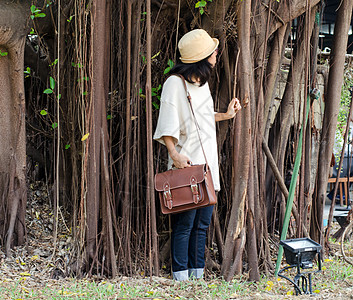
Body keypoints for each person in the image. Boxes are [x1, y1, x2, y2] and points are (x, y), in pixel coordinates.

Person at [153, 29, 241, 281]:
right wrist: (175, 154)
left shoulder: (202, 84)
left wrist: (226, 115)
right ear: (201, 57)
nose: (216, 52)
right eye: (211, 51)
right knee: (185, 225)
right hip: (187, 165)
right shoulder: (174, 83)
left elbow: (202, 118)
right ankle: (181, 276)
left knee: (202, 225)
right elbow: (167, 125)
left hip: (207, 167)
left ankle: (197, 275)